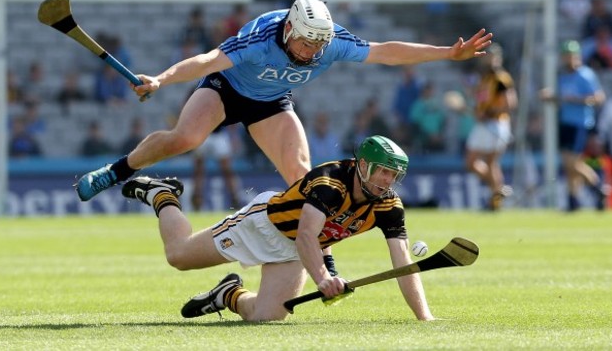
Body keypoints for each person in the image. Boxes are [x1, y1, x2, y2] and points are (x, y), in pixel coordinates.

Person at [75, 0, 492, 203]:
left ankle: (320, 253)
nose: (313, 51)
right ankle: (117, 170)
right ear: (290, 29)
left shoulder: (332, 43)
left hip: (272, 101)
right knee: (186, 139)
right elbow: (207, 60)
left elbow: (385, 51)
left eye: (318, 44)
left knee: (303, 175)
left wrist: (446, 53)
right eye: (307, 42)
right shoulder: (261, 37)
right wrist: (161, 80)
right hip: (227, 88)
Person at [121, 135, 435, 322]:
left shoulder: (388, 205)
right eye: (382, 172)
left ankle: (229, 294)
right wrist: (324, 278)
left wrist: (424, 318)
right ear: (363, 165)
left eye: (393, 175)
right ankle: (161, 193)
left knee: (267, 317)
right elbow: (307, 234)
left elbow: (404, 263)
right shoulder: (330, 182)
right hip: (263, 226)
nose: (387, 181)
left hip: (293, 251)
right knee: (177, 255)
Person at [541, 40, 607, 211]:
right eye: (566, 55)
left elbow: (599, 97)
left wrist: (578, 100)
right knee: (570, 164)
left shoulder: (585, 75)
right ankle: (573, 201)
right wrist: (551, 97)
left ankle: (598, 188)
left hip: (580, 123)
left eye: (571, 55)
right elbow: (562, 99)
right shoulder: (563, 76)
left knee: (571, 163)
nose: (568, 59)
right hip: (565, 122)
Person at [464, 43, 517, 211]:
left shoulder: (501, 78)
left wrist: (489, 113)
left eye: (494, 56)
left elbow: (510, 103)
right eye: (488, 56)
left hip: (496, 123)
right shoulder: (484, 79)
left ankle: (496, 198)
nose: (490, 60)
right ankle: (498, 190)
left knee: (491, 162)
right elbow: (482, 102)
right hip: (485, 124)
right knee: (472, 162)